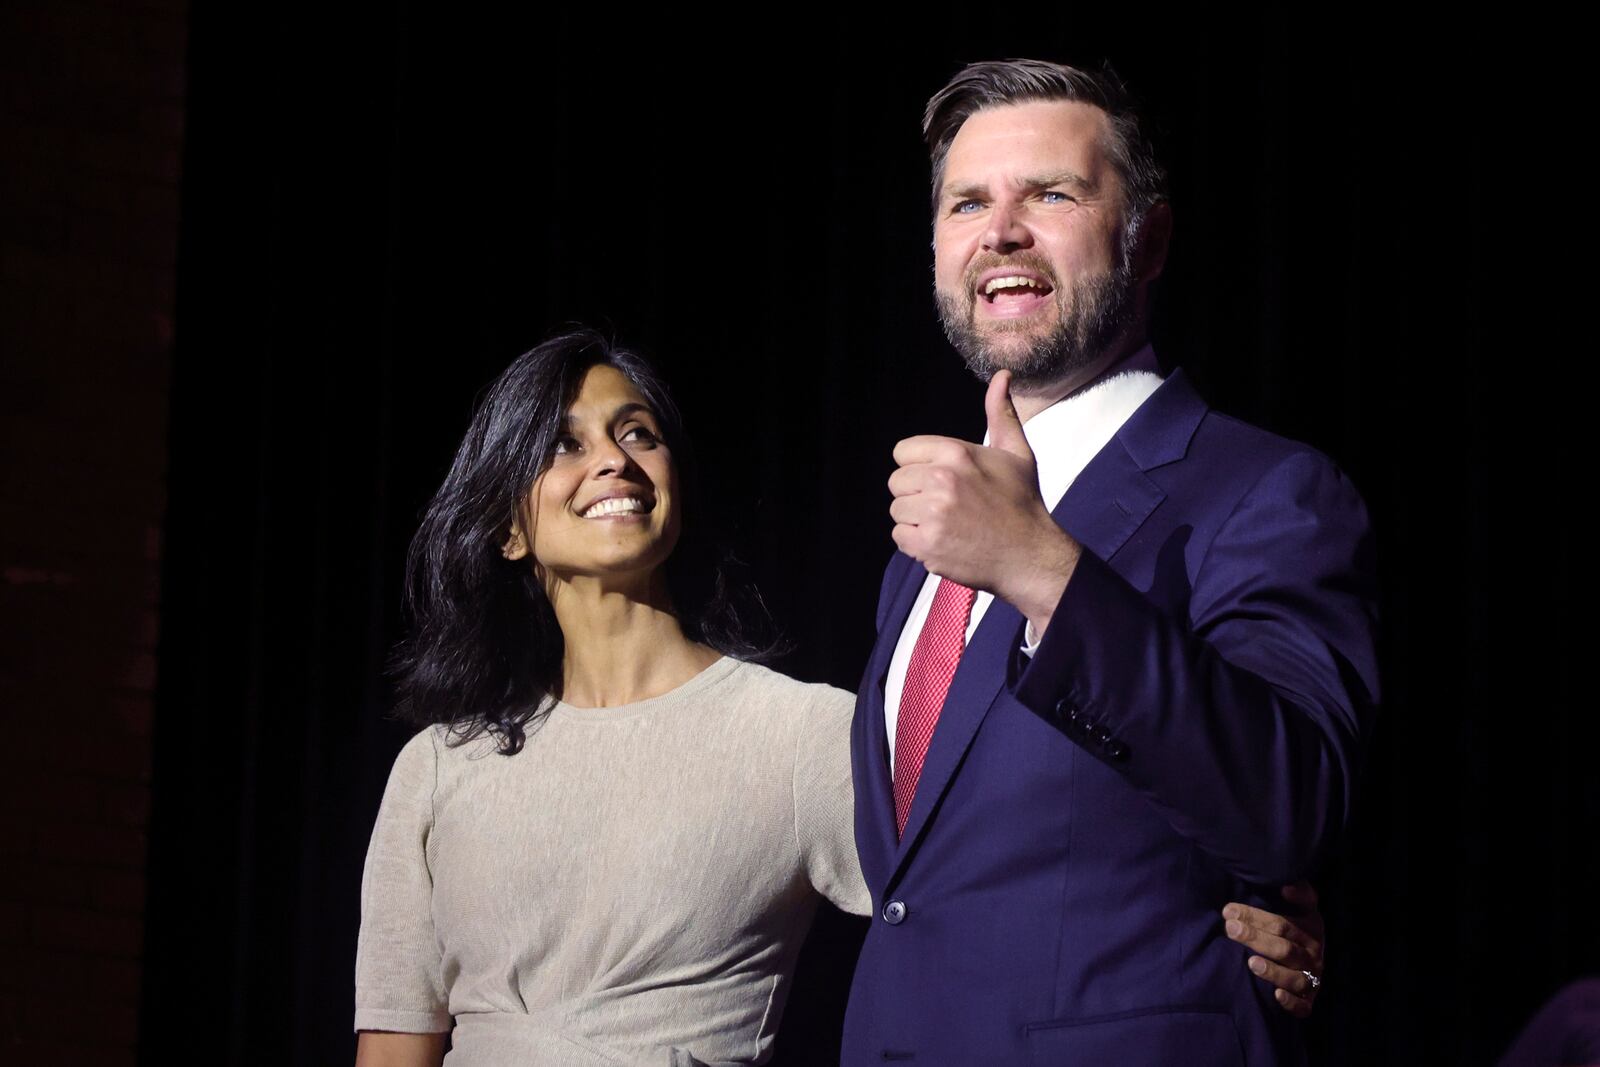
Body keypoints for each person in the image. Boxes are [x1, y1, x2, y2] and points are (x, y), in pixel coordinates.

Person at [353, 331, 1332, 1065]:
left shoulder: (800, 734)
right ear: (507, 529)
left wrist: (1243, 904)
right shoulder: (440, 769)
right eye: (561, 445)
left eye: (635, 431)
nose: (611, 459)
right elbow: (395, 1042)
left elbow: (1008, 875)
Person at [844, 59, 1377, 1065]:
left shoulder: (1268, 490)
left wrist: (1046, 568)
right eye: (967, 202)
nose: (1001, 228)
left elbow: (1290, 800)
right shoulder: (923, 556)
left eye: (1051, 193)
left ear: (1149, 240)